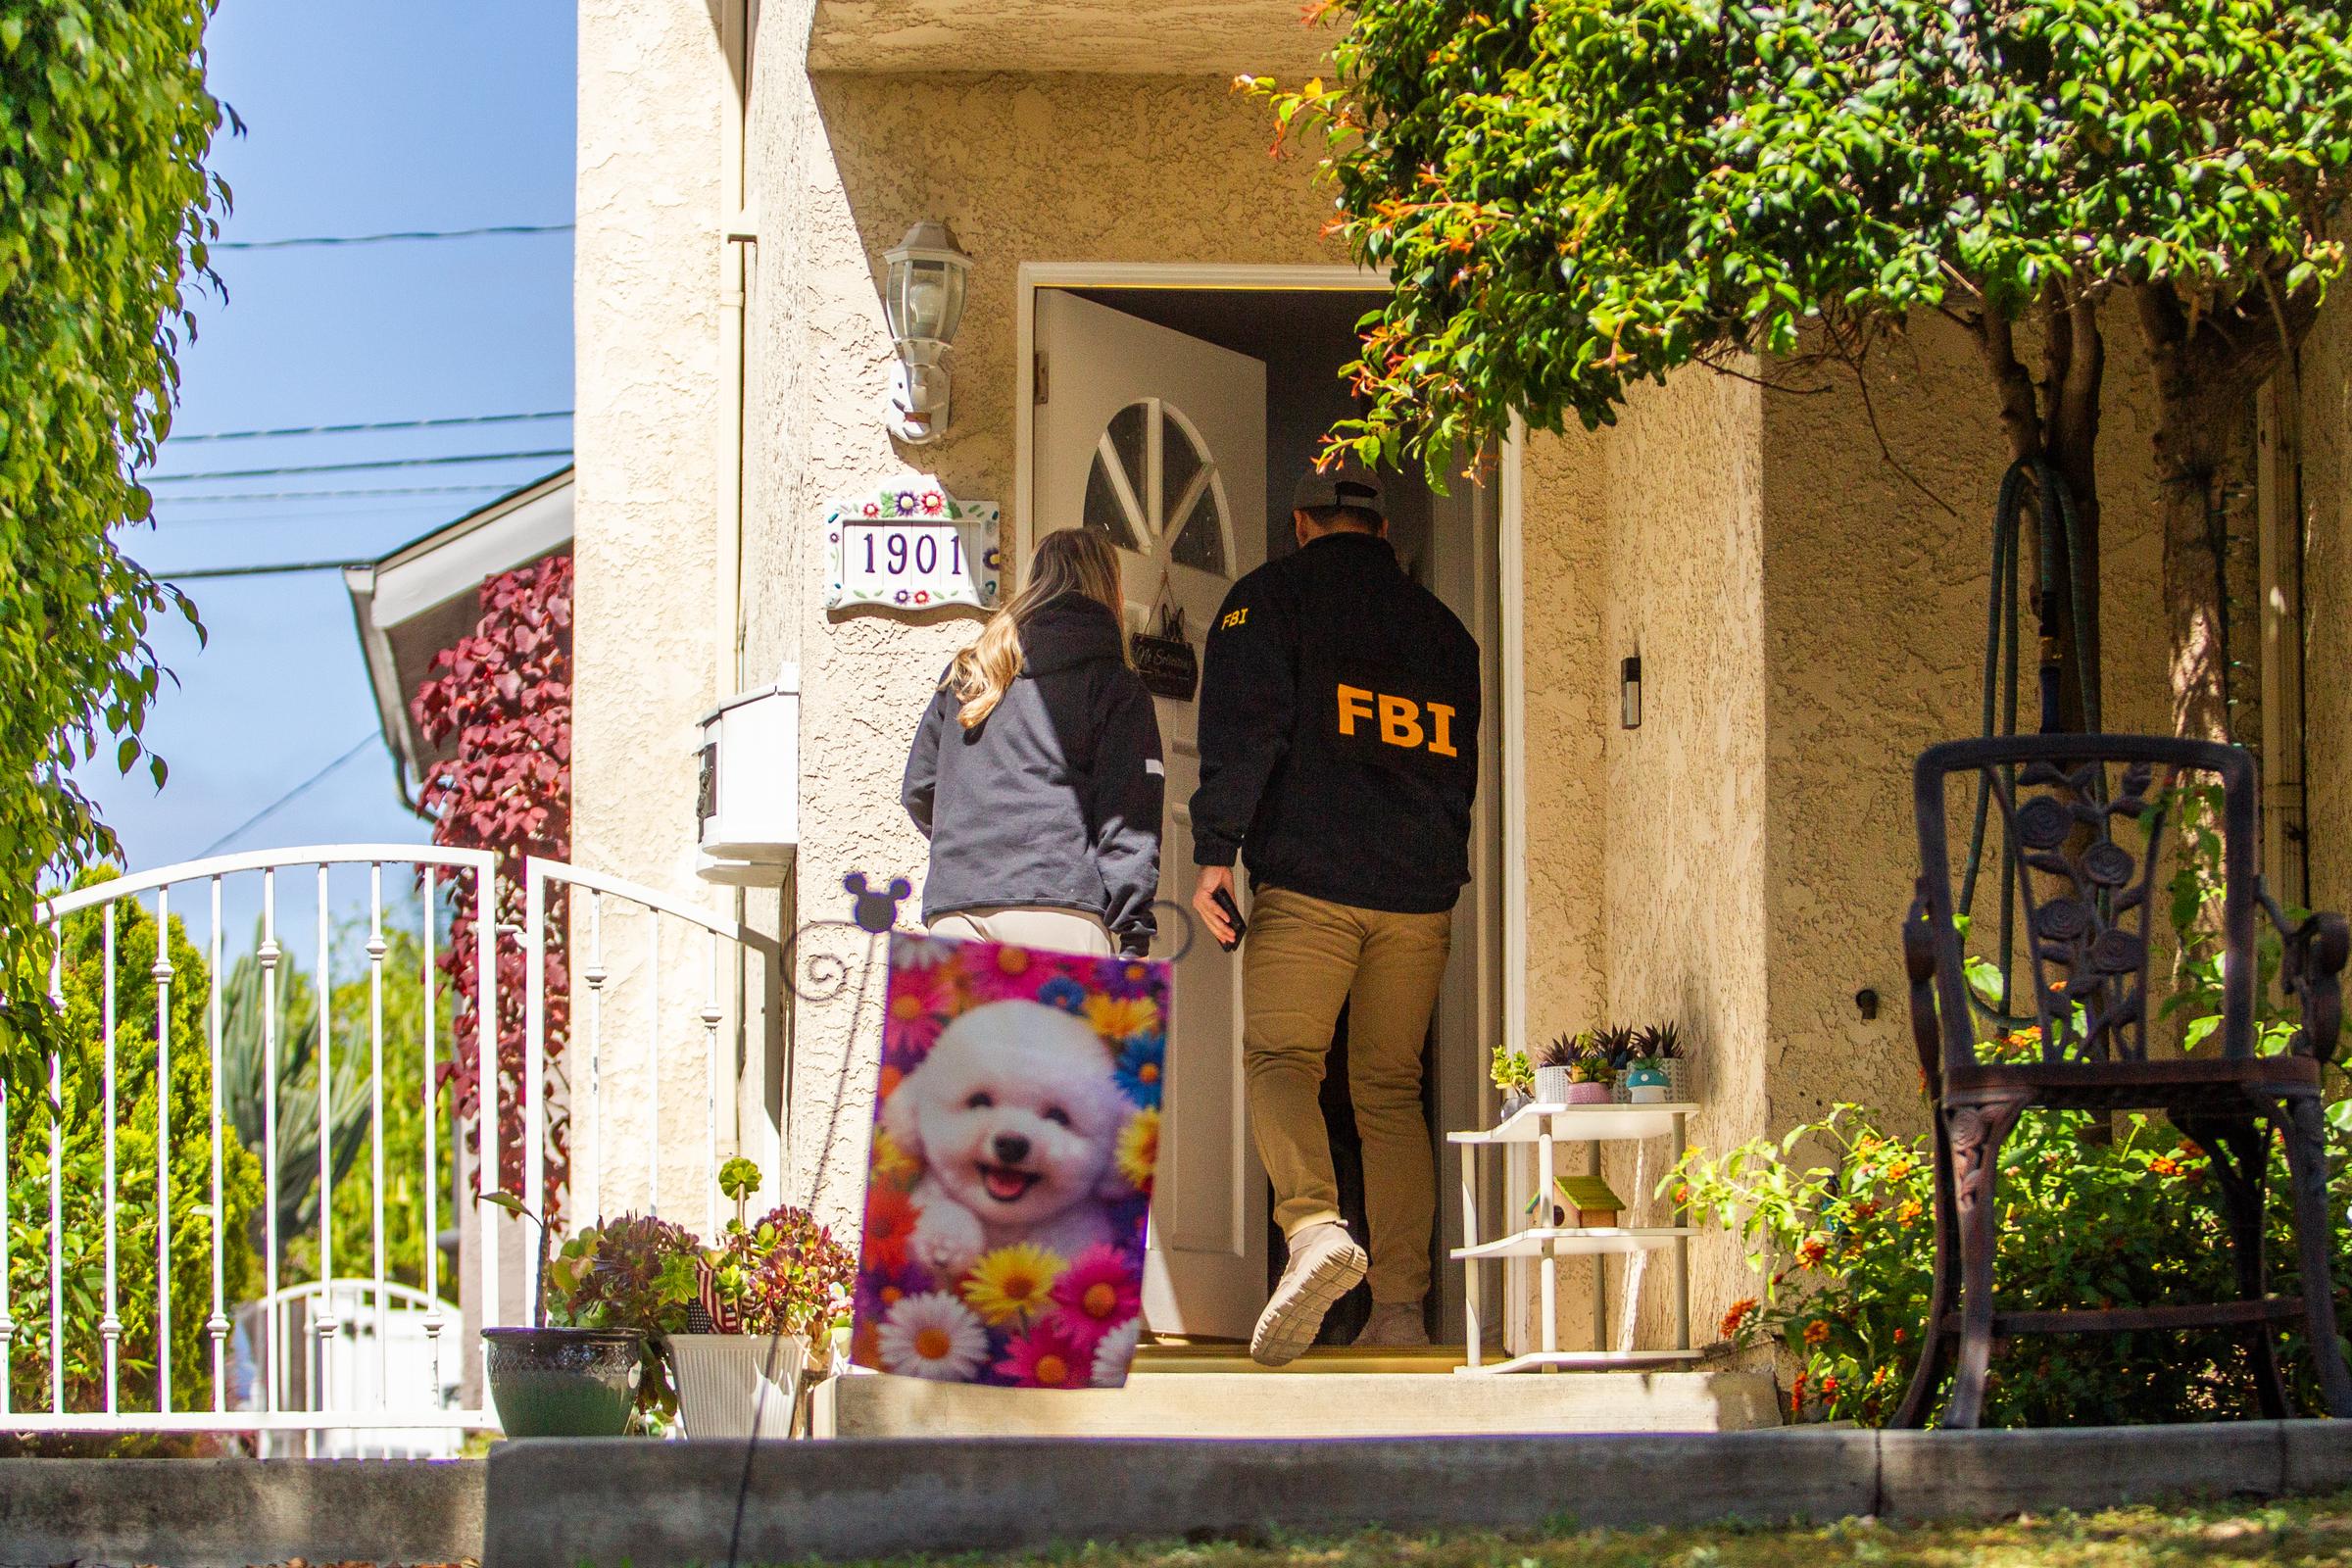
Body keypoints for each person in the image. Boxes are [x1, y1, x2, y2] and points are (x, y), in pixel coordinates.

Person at [1189, 456, 1481, 1365]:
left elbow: (1247, 729)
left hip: (1313, 883)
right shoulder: (1446, 630)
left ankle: (1313, 1224)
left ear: (1302, 524)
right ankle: (1400, 1310)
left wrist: (1214, 850)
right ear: (1384, 530)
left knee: (1283, 1059)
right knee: (1389, 1090)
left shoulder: (1270, 600)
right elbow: (1459, 770)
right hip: (1418, 898)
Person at [904, 527, 1164, 957]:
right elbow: (1130, 812)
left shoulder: (969, 673)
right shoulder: (1115, 683)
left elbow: (918, 788)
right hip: (1060, 908)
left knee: (962, 1012)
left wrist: (974, 848)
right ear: (1110, 591)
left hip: (957, 910)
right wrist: (1134, 932)